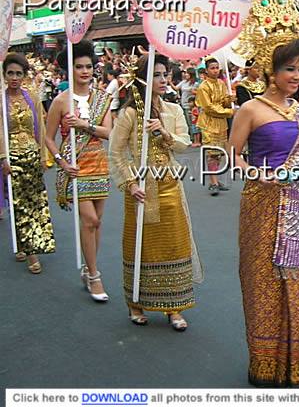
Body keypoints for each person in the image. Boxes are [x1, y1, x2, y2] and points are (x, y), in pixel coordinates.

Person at [229, 0, 299, 385]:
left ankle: (290, 363)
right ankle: (262, 364)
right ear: (269, 70)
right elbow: (231, 156)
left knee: (293, 279)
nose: (297, 77)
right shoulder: (251, 108)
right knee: (263, 278)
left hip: (296, 202)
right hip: (262, 204)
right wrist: (255, 174)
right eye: (290, 69)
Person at [109, 54, 202, 330]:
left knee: (174, 243)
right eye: (157, 75)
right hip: (140, 189)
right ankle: (135, 302)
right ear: (142, 79)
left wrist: (165, 133)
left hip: (169, 185)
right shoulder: (129, 113)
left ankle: (174, 307)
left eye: (165, 74)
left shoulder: (173, 110)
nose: (163, 80)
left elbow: (184, 144)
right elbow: (116, 152)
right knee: (140, 246)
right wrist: (131, 183)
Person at [45, 40, 113, 301]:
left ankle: (88, 268)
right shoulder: (61, 101)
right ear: (69, 69)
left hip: (99, 164)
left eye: (88, 66)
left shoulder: (102, 98)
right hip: (75, 166)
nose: (85, 71)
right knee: (90, 221)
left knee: (97, 222)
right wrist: (62, 162)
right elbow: (49, 138)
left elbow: (109, 133)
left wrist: (84, 124)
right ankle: (95, 275)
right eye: (79, 67)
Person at [1, 53, 56, 273]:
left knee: (35, 201)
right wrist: (3, 158)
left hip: (32, 155)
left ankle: (27, 242)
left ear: (24, 75)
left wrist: (43, 155)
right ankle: (31, 251)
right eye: (10, 73)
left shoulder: (31, 96)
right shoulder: (1, 99)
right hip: (11, 158)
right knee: (18, 202)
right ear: (4, 75)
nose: (14, 77)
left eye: (18, 73)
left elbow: (40, 127)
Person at [195, 56, 234, 195]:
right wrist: (229, 112)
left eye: (217, 68)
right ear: (206, 70)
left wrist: (229, 100)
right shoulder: (203, 87)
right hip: (209, 122)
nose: (215, 70)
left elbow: (223, 102)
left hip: (221, 123)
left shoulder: (221, 83)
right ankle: (213, 182)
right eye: (212, 68)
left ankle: (216, 180)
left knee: (219, 154)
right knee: (212, 153)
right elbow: (209, 107)